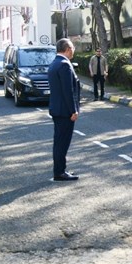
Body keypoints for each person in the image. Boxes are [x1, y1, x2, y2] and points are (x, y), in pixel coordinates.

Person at [48, 38, 80, 181]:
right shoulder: (64, 65)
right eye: (73, 48)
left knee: (59, 141)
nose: (74, 50)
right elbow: (68, 91)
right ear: (67, 49)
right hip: (65, 111)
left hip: (57, 109)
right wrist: (73, 110)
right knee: (63, 142)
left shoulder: (55, 63)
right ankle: (60, 172)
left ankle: (60, 169)